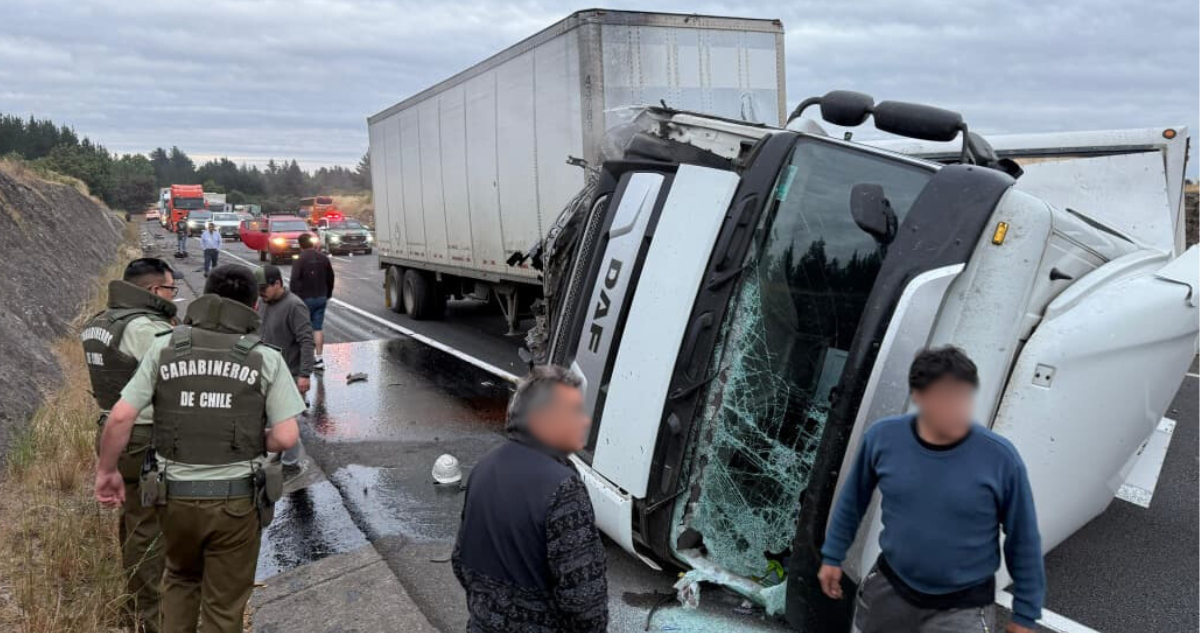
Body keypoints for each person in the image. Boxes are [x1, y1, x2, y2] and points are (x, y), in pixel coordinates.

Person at [94, 264, 304, 633]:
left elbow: (121, 417)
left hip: (173, 498)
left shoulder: (165, 346)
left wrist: (107, 472)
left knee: (178, 580)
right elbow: (287, 438)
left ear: (205, 297)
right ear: (253, 306)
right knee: (224, 606)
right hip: (236, 505)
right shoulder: (264, 357)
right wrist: (255, 438)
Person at [818, 346, 1045, 633]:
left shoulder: (1001, 459)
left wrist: (1024, 615)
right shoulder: (883, 438)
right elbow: (852, 501)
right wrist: (833, 555)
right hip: (890, 590)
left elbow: (1023, 538)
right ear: (918, 396)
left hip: (962, 606)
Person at [452, 366, 608, 633]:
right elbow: (584, 602)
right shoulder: (563, 487)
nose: (584, 421)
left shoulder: (483, 468)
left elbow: (460, 560)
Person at [81, 258, 179, 633]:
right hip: (144, 436)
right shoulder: (146, 329)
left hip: (111, 431)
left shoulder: (100, 322)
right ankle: (150, 617)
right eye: (171, 289)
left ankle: (134, 605)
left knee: (134, 520)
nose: (174, 296)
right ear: (155, 291)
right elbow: (179, 378)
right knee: (149, 529)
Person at [256, 264, 314, 478]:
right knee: (273, 419)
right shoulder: (264, 302)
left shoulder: (294, 306)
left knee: (287, 420)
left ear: (278, 284)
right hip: (267, 373)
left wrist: (305, 374)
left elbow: (306, 341)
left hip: (289, 375)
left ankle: (291, 464)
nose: (260, 294)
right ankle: (282, 453)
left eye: (264, 289)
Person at [290, 233, 334, 370]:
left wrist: (294, 298)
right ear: (312, 243)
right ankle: (319, 359)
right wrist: (328, 294)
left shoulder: (300, 260)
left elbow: (294, 280)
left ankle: (304, 359)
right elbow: (331, 277)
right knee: (317, 328)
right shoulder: (323, 258)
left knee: (303, 329)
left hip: (304, 299)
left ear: (300, 245)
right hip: (321, 296)